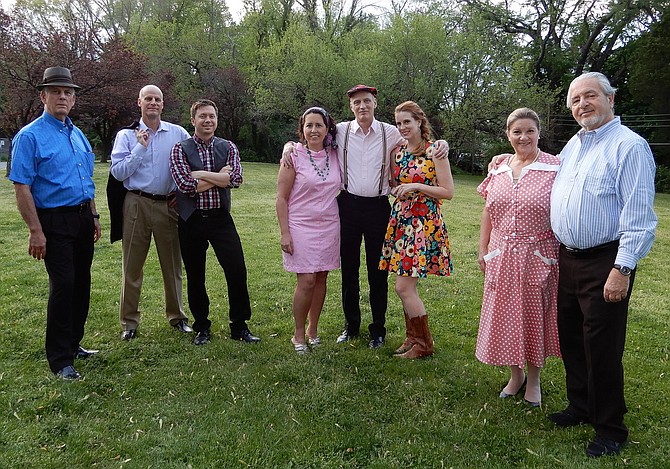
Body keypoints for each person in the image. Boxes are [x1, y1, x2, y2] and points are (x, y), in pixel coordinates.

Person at [283, 85, 449, 348]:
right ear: (351, 106)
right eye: (357, 102)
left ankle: (378, 330)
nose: (362, 106)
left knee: (377, 271)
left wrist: (443, 144)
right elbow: (310, 136)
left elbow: (419, 139)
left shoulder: (391, 132)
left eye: (367, 101)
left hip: (378, 207)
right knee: (349, 271)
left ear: (375, 103)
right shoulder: (340, 131)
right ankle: (351, 326)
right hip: (347, 206)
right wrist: (288, 145)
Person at [549, 72, 657, 458]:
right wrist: (505, 158)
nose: (582, 105)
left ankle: (611, 428)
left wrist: (622, 268)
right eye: (575, 100)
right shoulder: (573, 146)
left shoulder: (630, 147)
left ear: (611, 98)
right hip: (568, 257)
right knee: (572, 338)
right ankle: (580, 406)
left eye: (590, 96)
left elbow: (640, 215)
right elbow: (543, 171)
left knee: (603, 346)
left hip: (605, 261)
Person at [10, 67, 101, 380]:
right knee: (63, 285)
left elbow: (84, 178)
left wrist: (94, 215)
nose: (62, 96)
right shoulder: (30, 136)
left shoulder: (76, 134)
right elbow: (21, 186)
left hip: (81, 218)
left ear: (73, 99)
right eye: (56, 91)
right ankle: (60, 359)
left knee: (81, 284)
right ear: (43, 96)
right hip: (54, 220)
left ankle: (74, 344)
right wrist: (36, 231)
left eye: (68, 92)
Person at [475, 108, 561, 406]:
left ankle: (534, 379)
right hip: (501, 253)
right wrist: (483, 248)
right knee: (504, 315)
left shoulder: (555, 167)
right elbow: (488, 209)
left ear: (539, 133)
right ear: (507, 135)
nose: (523, 137)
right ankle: (516, 375)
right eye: (516, 131)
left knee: (535, 316)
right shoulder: (498, 167)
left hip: (537, 254)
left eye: (529, 131)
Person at [169, 99, 260, 346]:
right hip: (191, 220)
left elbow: (237, 179)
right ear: (194, 120)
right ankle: (202, 327)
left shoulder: (227, 146)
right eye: (203, 117)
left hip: (221, 219)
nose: (207, 121)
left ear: (216, 119)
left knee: (237, 271)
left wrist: (201, 175)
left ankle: (239, 326)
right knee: (196, 275)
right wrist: (221, 176)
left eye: (211, 116)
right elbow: (186, 186)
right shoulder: (180, 148)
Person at [110, 85, 192, 340]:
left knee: (172, 265)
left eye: (157, 99)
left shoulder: (177, 133)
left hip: (168, 205)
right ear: (139, 102)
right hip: (137, 203)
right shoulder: (126, 135)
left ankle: (177, 316)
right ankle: (129, 323)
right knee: (132, 266)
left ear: (163, 104)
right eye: (148, 99)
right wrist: (140, 148)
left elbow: (196, 156)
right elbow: (118, 173)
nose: (153, 103)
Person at [379, 101, 454, 359]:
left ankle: (424, 344)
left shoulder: (435, 151)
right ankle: (412, 338)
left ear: (419, 122)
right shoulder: (397, 152)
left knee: (403, 287)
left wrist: (415, 187)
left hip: (423, 224)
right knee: (405, 286)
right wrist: (398, 189)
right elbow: (392, 184)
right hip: (402, 222)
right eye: (399, 123)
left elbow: (448, 192)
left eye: (407, 122)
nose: (402, 127)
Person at [276, 107, 341, 354]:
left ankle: (314, 330)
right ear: (302, 130)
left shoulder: (335, 154)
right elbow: (281, 198)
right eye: (309, 125)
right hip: (300, 225)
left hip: (329, 224)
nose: (314, 130)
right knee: (307, 280)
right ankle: (298, 333)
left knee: (322, 277)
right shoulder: (293, 155)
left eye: (319, 125)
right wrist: (285, 232)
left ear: (327, 129)